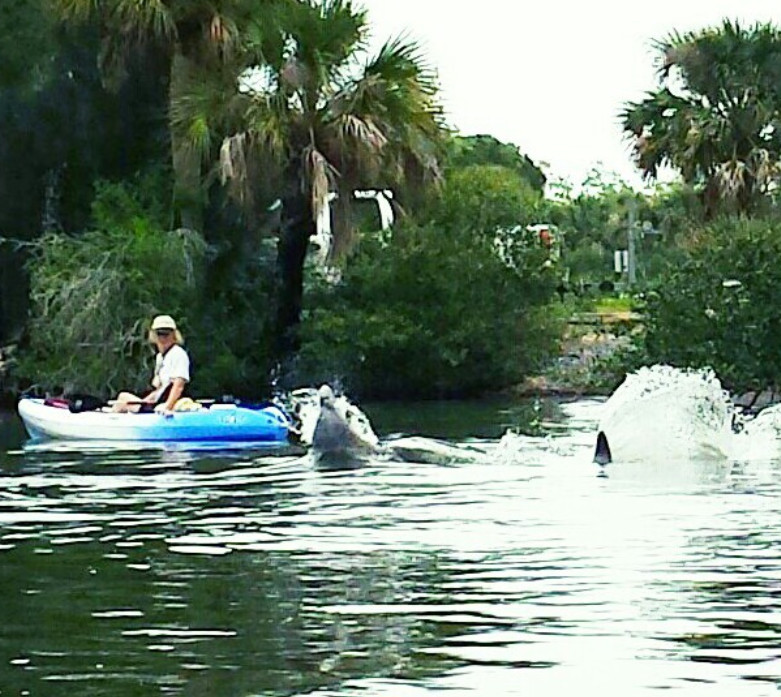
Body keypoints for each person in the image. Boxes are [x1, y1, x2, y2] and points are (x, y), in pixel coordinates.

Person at [112, 315, 190, 414]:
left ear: (174, 335)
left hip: (163, 406)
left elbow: (178, 386)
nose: (163, 338)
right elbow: (158, 390)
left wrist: (167, 408)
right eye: (159, 334)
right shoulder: (160, 357)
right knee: (123, 397)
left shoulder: (178, 354)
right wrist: (145, 401)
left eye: (166, 334)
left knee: (121, 403)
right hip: (156, 402)